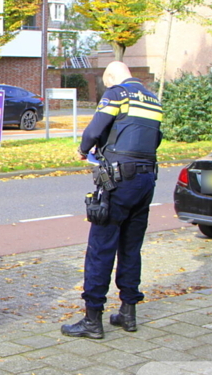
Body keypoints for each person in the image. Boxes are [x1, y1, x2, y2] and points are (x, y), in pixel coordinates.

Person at [62, 61, 162, 339]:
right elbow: (155, 139)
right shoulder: (153, 99)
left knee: (101, 248)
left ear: (112, 78)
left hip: (119, 181)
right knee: (131, 247)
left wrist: (84, 149)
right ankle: (128, 314)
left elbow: (95, 129)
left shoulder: (117, 94)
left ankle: (93, 320)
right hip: (146, 180)